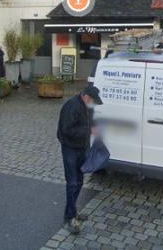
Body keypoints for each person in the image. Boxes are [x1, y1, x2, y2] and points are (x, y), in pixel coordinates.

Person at [57, 85, 102, 235]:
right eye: (93, 101)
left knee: (80, 181)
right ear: (86, 97)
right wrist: (89, 130)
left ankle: (73, 211)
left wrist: (95, 127)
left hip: (82, 147)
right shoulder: (71, 106)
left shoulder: (87, 106)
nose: (93, 104)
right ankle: (69, 217)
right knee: (72, 183)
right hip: (70, 149)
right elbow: (66, 130)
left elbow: (91, 120)